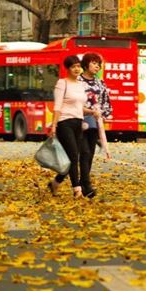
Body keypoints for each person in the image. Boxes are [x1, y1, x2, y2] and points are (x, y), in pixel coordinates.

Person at [48, 55, 87, 198]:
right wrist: (54, 126)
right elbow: (57, 106)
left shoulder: (81, 85)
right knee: (73, 155)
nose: (77, 69)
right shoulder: (62, 83)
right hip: (64, 122)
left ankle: (55, 183)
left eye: (78, 66)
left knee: (72, 157)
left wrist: (94, 112)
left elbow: (81, 106)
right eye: (73, 67)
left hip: (78, 122)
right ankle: (77, 189)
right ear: (68, 68)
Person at [79, 53, 112, 198]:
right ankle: (85, 184)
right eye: (94, 63)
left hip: (94, 122)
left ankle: (83, 183)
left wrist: (102, 115)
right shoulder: (78, 81)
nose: (97, 66)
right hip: (78, 120)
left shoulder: (100, 83)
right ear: (86, 65)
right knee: (84, 152)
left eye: (99, 64)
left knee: (90, 153)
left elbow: (106, 101)